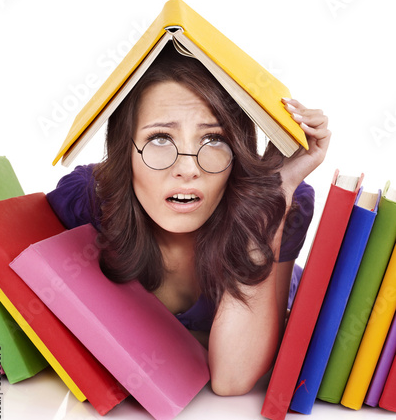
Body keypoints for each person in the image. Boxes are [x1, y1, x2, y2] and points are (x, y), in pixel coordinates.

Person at [47, 43, 330, 397]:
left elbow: (232, 380)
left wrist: (270, 200)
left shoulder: (281, 203)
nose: (188, 169)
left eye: (213, 139)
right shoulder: (86, 198)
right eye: (160, 139)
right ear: (126, 150)